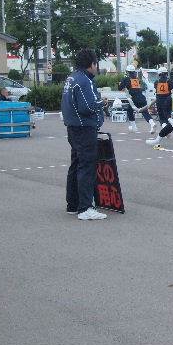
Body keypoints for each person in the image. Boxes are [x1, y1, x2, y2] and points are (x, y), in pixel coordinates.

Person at [61, 49, 106, 221]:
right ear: (92, 64)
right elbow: (87, 107)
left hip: (73, 128)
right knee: (87, 167)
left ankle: (72, 204)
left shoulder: (71, 78)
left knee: (76, 165)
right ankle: (85, 208)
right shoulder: (84, 81)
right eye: (96, 63)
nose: (96, 67)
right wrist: (102, 103)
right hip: (84, 129)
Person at [118, 64, 156, 133]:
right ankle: (152, 123)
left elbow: (120, 88)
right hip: (142, 97)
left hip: (134, 99)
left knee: (129, 111)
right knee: (145, 112)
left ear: (127, 72)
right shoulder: (137, 79)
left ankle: (134, 127)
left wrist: (121, 83)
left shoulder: (127, 79)